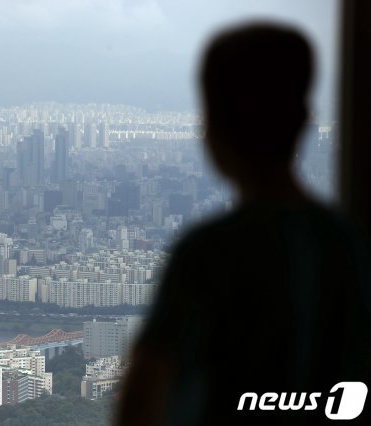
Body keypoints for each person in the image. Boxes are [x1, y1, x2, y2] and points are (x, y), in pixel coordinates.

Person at [116, 23, 371, 425]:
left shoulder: (208, 253)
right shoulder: (350, 244)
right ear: (304, 120)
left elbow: (141, 394)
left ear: (212, 129)